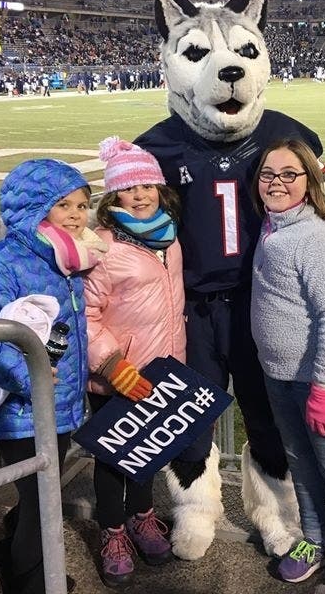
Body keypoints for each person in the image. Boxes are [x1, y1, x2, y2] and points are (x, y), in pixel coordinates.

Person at [0, 158, 97, 594]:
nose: (76, 215)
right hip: (21, 409)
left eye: (83, 205)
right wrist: (28, 375)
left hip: (58, 407)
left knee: (36, 495)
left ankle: (10, 549)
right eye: (63, 205)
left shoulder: (68, 261)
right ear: (32, 209)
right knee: (41, 501)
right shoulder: (0, 263)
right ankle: (30, 581)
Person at [250, 138, 325, 591]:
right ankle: (316, 542)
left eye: (288, 174)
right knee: (302, 466)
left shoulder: (316, 237)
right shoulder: (272, 227)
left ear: (310, 179)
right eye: (268, 173)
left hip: (323, 381)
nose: (276, 182)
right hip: (281, 376)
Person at [83, 137, 185, 585]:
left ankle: (143, 518)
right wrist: (111, 365)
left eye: (147, 185)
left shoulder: (170, 236)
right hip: (118, 376)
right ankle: (113, 533)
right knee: (112, 460)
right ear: (113, 196)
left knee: (146, 453)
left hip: (160, 370)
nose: (141, 194)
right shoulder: (103, 246)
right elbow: (83, 315)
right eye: (130, 187)